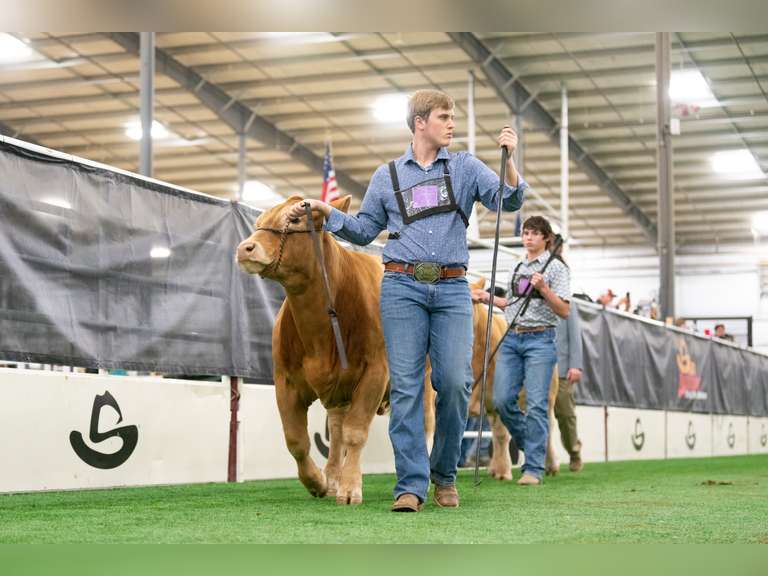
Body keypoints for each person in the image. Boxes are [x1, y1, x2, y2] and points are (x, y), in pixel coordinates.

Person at [287, 89, 526, 512]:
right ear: (420, 123)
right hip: (401, 287)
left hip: (453, 288)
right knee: (407, 388)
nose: (451, 123)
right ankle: (411, 486)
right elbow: (363, 230)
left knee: (454, 384)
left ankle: (444, 475)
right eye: (444, 116)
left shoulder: (467, 166)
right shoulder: (388, 176)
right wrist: (329, 212)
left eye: (452, 117)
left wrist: (511, 162)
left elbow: (508, 201)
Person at [471, 216, 570, 485]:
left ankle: (533, 468)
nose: (528, 237)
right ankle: (533, 445)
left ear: (546, 238)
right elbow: (513, 305)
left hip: (540, 339)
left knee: (537, 404)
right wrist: (486, 298)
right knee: (502, 401)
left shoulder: (557, 268)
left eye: (535, 233)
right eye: (526, 232)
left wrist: (544, 289)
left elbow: (564, 310)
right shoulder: (516, 264)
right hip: (512, 337)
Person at [551, 238, 584, 473]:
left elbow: (575, 334)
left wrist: (576, 365)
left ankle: (574, 450)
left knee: (564, 412)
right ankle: (543, 459)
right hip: (537, 362)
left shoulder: (566, 300)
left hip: (562, 368)